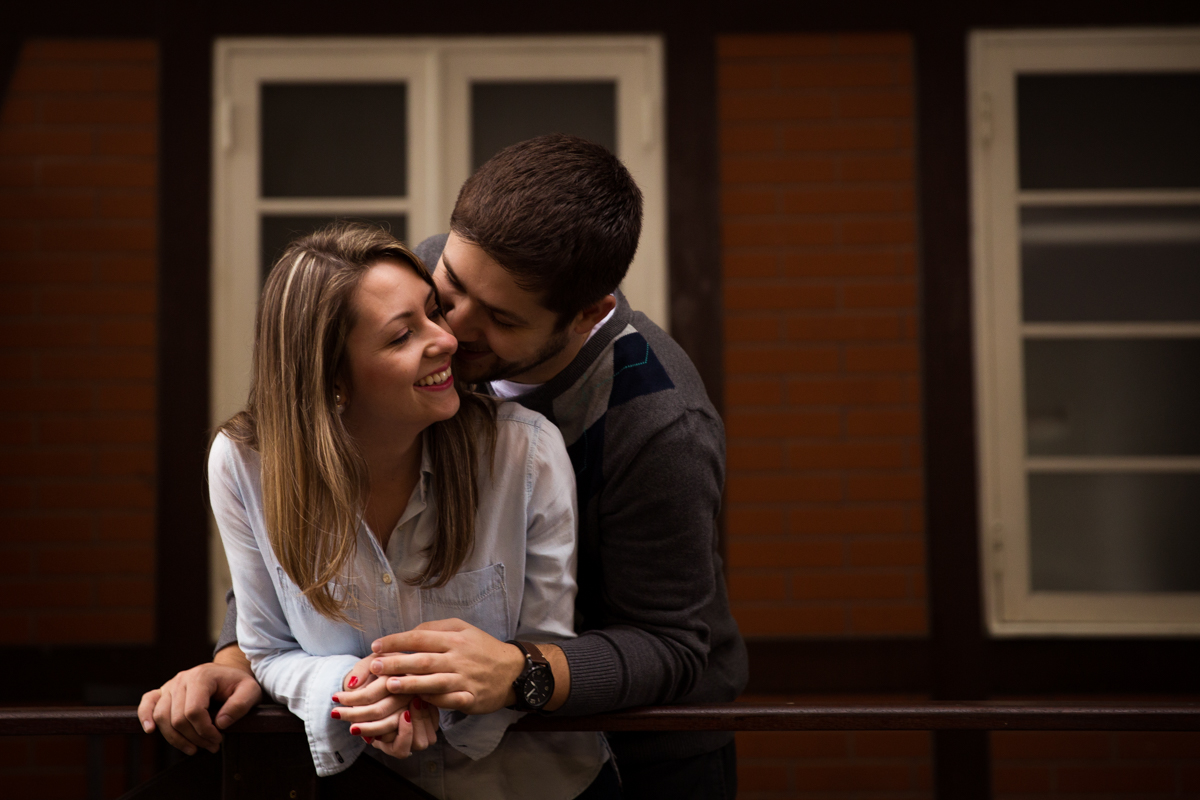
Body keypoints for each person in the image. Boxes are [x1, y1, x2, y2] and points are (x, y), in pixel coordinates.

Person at [141, 135, 747, 798]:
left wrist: (520, 673)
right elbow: (302, 493)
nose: (451, 330)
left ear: (586, 315)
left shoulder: (660, 428)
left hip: (645, 741)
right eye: (447, 292)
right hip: (417, 743)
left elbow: (671, 647)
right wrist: (239, 659)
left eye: (498, 319)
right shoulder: (425, 286)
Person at [197, 221, 611, 798]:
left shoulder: (525, 452)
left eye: (431, 313)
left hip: (528, 784)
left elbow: (546, 644)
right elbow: (266, 648)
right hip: (369, 784)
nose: (445, 341)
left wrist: (447, 696)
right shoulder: (244, 465)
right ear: (333, 380)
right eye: (401, 337)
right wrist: (352, 688)